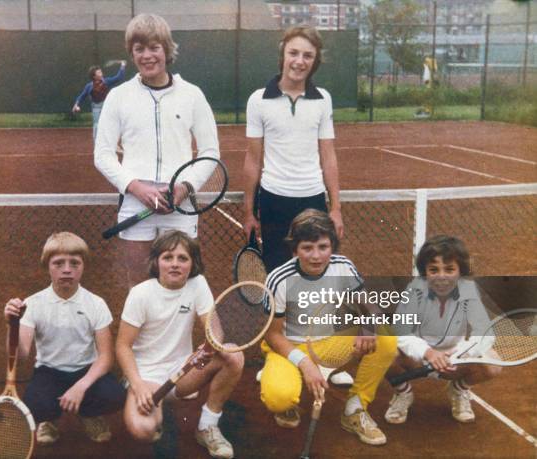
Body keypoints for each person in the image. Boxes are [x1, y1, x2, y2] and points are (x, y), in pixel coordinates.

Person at [94, 14, 220, 290]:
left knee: (185, 284)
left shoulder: (192, 94)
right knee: (139, 287)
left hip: (180, 206)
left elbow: (210, 151)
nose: (147, 56)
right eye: (139, 49)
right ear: (132, 53)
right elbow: (102, 154)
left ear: (167, 50)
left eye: (154, 47)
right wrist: (138, 189)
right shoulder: (118, 96)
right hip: (135, 204)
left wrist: (184, 188)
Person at [260, 209, 397, 445]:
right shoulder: (279, 279)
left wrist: (368, 326)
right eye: (307, 248)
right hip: (290, 347)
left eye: (323, 247)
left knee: (385, 335)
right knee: (279, 398)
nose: (316, 256)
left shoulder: (342, 266)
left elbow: (371, 308)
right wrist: (304, 364)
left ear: (332, 246)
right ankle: (287, 401)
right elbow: (273, 335)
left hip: (329, 343)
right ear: (294, 250)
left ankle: (355, 408)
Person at [116, 230, 242, 459]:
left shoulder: (197, 284)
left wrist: (211, 346)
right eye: (168, 257)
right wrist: (137, 385)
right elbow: (123, 346)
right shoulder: (140, 294)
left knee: (234, 355)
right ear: (156, 262)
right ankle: (155, 408)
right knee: (145, 431)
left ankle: (207, 426)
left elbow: (214, 328)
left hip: (183, 372)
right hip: (147, 376)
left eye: (182, 258)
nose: (175, 264)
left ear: (192, 263)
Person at [3, 232, 125, 445]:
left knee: (115, 395)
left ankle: (89, 415)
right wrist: (11, 324)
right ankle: (48, 421)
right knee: (36, 404)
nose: (67, 269)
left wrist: (81, 386)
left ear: (83, 266)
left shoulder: (96, 304)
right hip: (49, 372)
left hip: (86, 369)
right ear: (47, 266)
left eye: (74, 263)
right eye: (58, 263)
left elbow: (106, 357)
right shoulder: (32, 304)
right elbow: (20, 354)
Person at [243, 26, 344, 273]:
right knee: (277, 274)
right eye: (293, 53)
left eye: (307, 56)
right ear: (283, 55)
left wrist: (335, 208)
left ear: (315, 61)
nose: (299, 61)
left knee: (314, 274)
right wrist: (248, 212)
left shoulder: (323, 98)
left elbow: (328, 156)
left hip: (313, 200)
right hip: (272, 201)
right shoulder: (257, 100)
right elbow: (253, 160)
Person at [385, 235, 500, 424]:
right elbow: (400, 331)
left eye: (449, 269)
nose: (441, 276)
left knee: (494, 363)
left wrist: (459, 352)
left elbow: (485, 333)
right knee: (383, 351)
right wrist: (428, 352)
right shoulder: (415, 290)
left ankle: (459, 389)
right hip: (418, 361)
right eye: (433, 269)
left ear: (460, 270)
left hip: (454, 361)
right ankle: (403, 393)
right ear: (425, 272)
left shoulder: (468, 290)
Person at [72, 61, 127, 141]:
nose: (101, 73)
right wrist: (76, 104)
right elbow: (81, 96)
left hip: (107, 107)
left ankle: (114, 143)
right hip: (96, 108)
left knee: (111, 124)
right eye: (99, 72)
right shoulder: (89, 86)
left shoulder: (106, 81)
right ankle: (97, 145)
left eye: (101, 71)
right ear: (94, 76)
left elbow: (119, 77)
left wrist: (122, 66)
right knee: (97, 126)